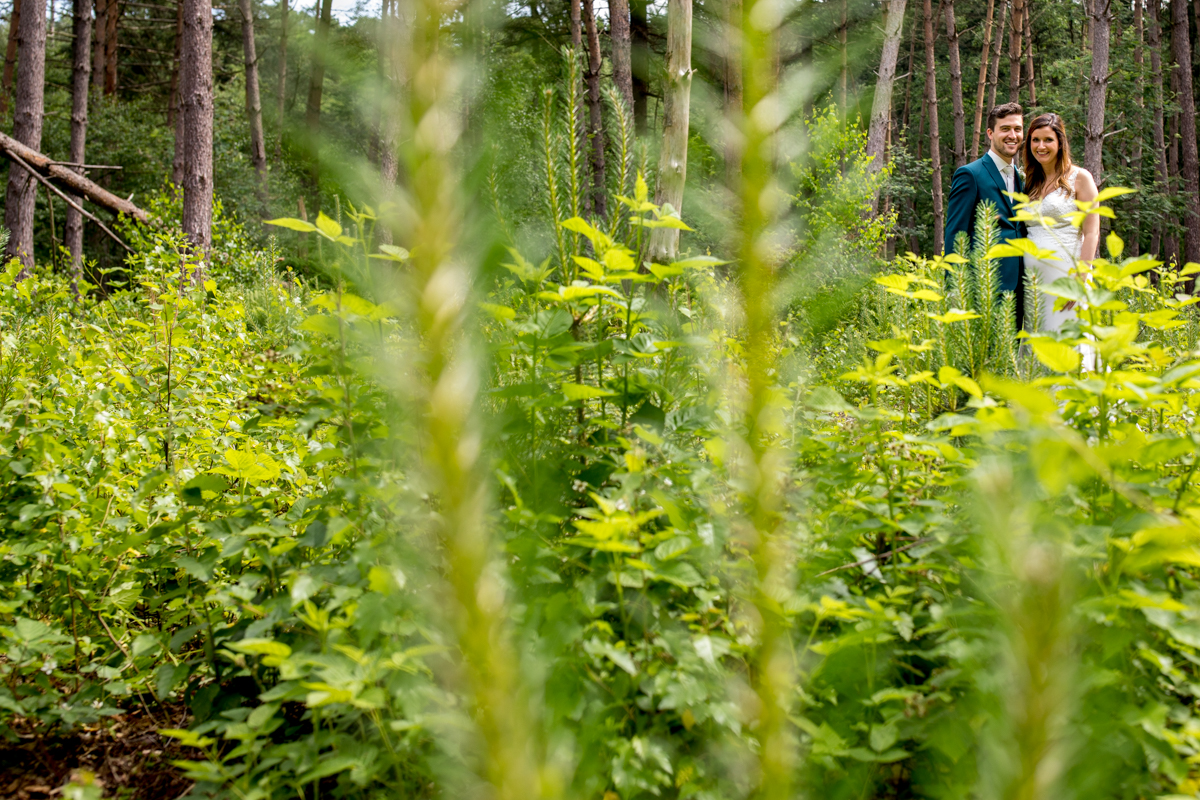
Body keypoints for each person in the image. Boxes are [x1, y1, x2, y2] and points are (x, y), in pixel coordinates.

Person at [944, 102, 1027, 325]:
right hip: (985, 289)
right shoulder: (970, 174)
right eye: (1005, 129)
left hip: (1020, 291)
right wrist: (954, 288)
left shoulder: (1020, 177)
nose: (1013, 135)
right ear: (990, 133)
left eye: (1017, 129)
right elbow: (955, 232)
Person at [1020, 112, 1099, 335]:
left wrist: (1080, 279)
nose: (1041, 146)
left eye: (1048, 140)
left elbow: (1092, 232)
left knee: (1067, 343)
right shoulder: (1029, 182)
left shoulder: (1080, 177)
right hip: (1033, 282)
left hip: (1067, 275)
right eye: (1035, 140)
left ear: (1060, 143)